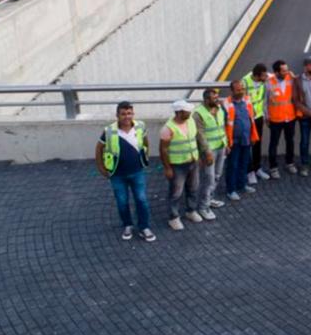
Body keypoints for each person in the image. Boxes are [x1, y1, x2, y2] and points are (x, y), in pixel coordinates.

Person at [95, 101, 156, 242]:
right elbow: (99, 149)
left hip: (137, 172)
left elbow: (146, 142)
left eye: (129, 113)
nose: (127, 117)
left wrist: (145, 159)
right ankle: (128, 225)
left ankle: (144, 227)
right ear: (117, 115)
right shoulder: (109, 131)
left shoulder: (140, 126)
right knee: (122, 202)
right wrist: (101, 169)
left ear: (133, 114)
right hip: (117, 174)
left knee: (141, 200)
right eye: (123, 114)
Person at [160, 99, 210, 230]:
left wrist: (198, 156)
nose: (190, 113)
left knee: (193, 188)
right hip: (177, 165)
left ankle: (191, 211)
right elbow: (163, 150)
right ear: (179, 112)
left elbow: (194, 139)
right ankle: (173, 217)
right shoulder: (168, 128)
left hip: (192, 161)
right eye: (188, 111)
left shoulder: (190, 121)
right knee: (176, 192)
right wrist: (167, 168)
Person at [193, 88, 229, 220]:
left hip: (220, 146)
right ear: (206, 100)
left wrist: (226, 144)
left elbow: (222, 127)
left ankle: (210, 199)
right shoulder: (198, 114)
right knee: (208, 178)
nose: (217, 99)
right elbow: (200, 135)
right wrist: (207, 152)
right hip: (209, 151)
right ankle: (203, 207)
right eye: (214, 98)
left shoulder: (219, 109)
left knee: (217, 175)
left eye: (217, 97)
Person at [224, 79, 259, 201]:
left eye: (242, 89)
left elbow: (251, 120)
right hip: (233, 140)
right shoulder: (226, 104)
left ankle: (242, 184)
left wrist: (253, 136)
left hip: (246, 138)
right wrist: (226, 143)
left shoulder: (247, 100)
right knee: (232, 165)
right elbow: (223, 124)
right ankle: (231, 190)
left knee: (244, 163)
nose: (241, 91)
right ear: (232, 90)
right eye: (238, 90)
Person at [265, 60, 298, 176]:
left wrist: (295, 77)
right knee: (274, 143)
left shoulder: (291, 78)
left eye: (287, 69)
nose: (287, 72)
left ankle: (290, 163)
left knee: (290, 142)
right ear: (276, 72)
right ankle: (273, 167)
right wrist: (267, 117)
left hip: (290, 117)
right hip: (275, 119)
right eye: (284, 71)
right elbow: (265, 101)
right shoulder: (269, 83)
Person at [239, 64, 269, 186]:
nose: (266, 77)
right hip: (247, 118)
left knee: (257, 143)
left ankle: (257, 168)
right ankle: (249, 171)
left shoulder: (262, 79)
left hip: (258, 117)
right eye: (264, 75)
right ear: (257, 76)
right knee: (248, 145)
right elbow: (241, 101)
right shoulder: (244, 82)